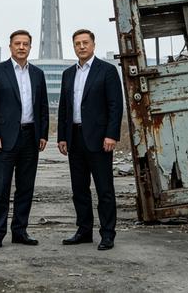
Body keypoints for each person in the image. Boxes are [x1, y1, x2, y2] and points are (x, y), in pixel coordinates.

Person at [0, 30, 49, 251]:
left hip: (30, 137)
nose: (21, 47)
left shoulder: (37, 74)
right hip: (4, 138)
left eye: (25, 44)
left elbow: (43, 107)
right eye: (17, 43)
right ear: (10, 46)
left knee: (25, 188)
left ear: (30, 47)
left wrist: (43, 134)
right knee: (1, 188)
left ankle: (20, 231)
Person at [57, 29, 123, 250]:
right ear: (74, 47)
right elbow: (64, 108)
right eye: (78, 43)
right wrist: (62, 137)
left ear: (93, 45)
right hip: (74, 138)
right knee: (79, 189)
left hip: (99, 139)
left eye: (85, 42)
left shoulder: (107, 71)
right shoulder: (68, 74)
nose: (82, 46)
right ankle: (84, 231)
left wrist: (112, 135)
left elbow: (115, 106)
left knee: (104, 189)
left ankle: (107, 234)